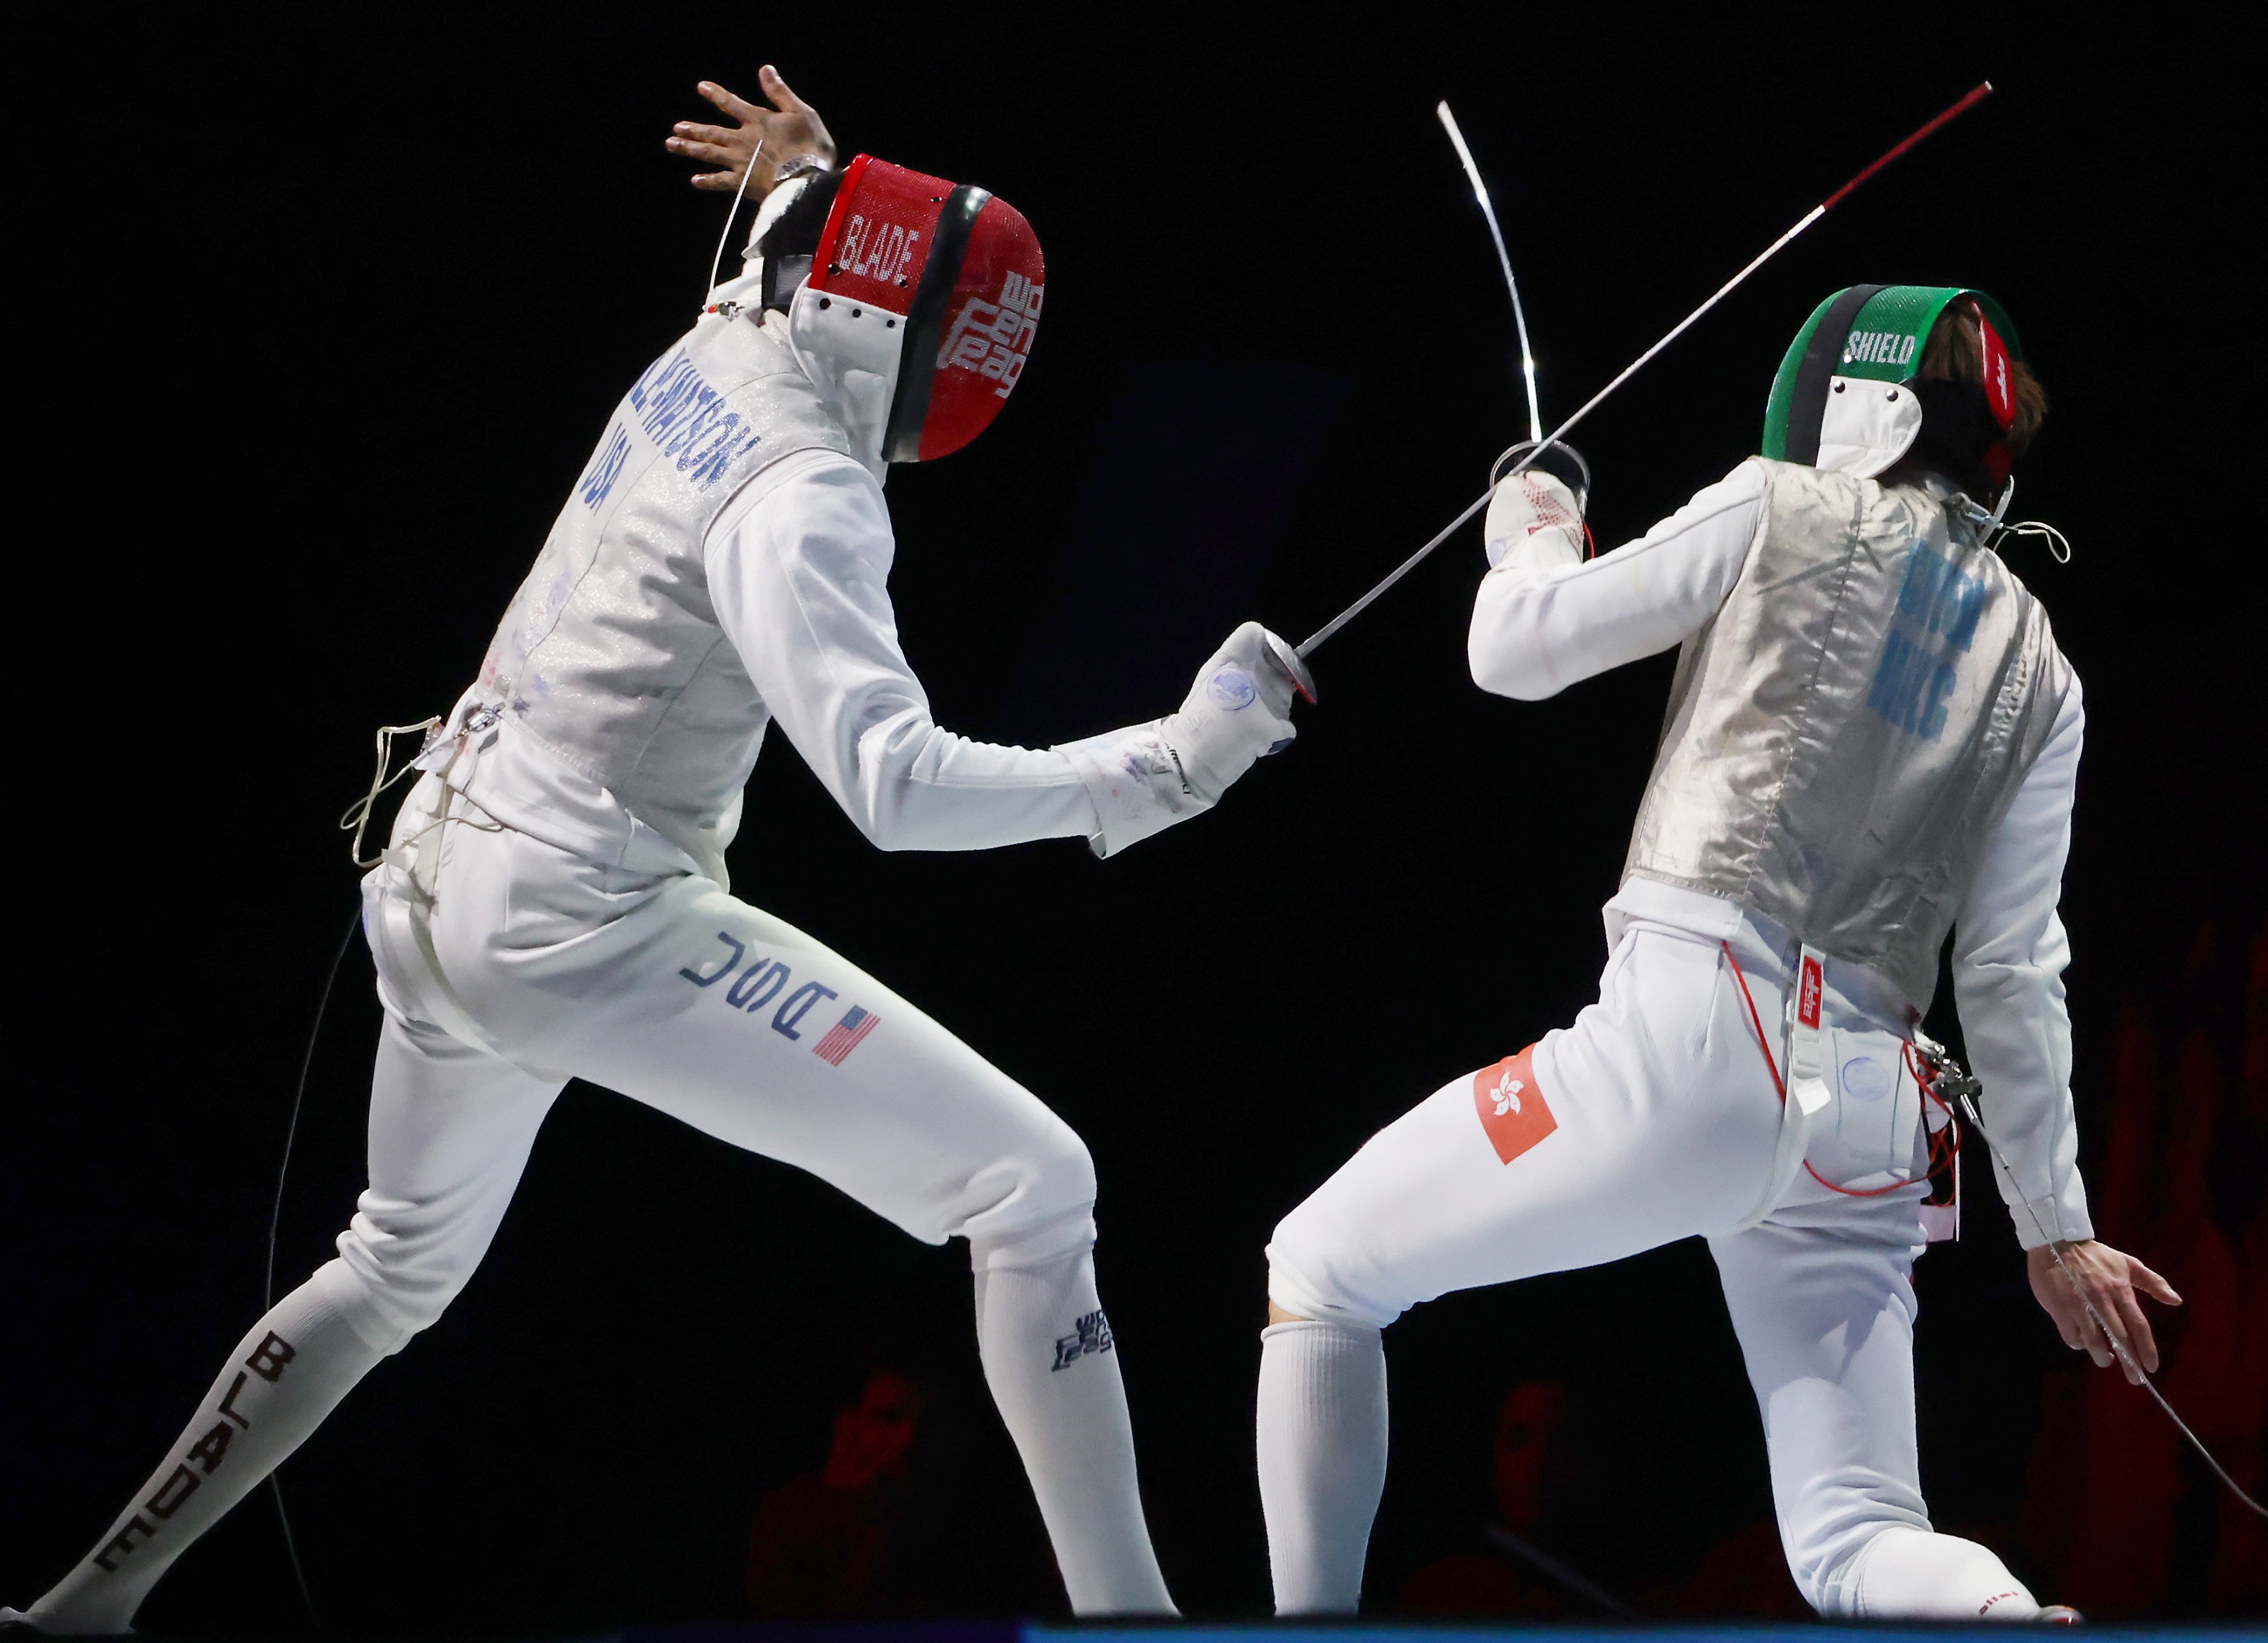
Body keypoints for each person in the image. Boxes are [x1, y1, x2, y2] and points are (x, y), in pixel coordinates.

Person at [5, 68, 1299, 1632]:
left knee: (394, 1266)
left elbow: (789, 234)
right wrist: (1165, 765)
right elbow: (893, 786)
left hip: (429, 877)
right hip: (582, 914)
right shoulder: (804, 496)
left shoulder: (742, 315)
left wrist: (814, 173)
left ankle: (80, 1609)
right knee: (1034, 1181)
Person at [1251, 286, 2179, 1621]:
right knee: (1859, 1534)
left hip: (1687, 1042)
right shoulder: (2043, 666)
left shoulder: (1774, 504)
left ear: (1860, 404)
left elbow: (1513, 650)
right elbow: (2013, 970)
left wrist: (1533, 522)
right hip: (1873, 1114)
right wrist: (2057, 1230)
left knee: (1322, 1266)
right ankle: (2003, 1620)